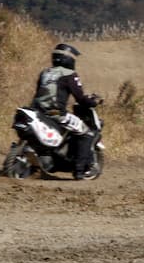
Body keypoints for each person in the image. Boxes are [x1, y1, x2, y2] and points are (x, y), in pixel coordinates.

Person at [31, 42, 103, 180]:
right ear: (68, 59)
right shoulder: (70, 74)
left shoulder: (45, 73)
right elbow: (81, 98)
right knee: (86, 133)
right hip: (56, 114)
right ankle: (79, 171)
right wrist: (93, 101)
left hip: (37, 112)